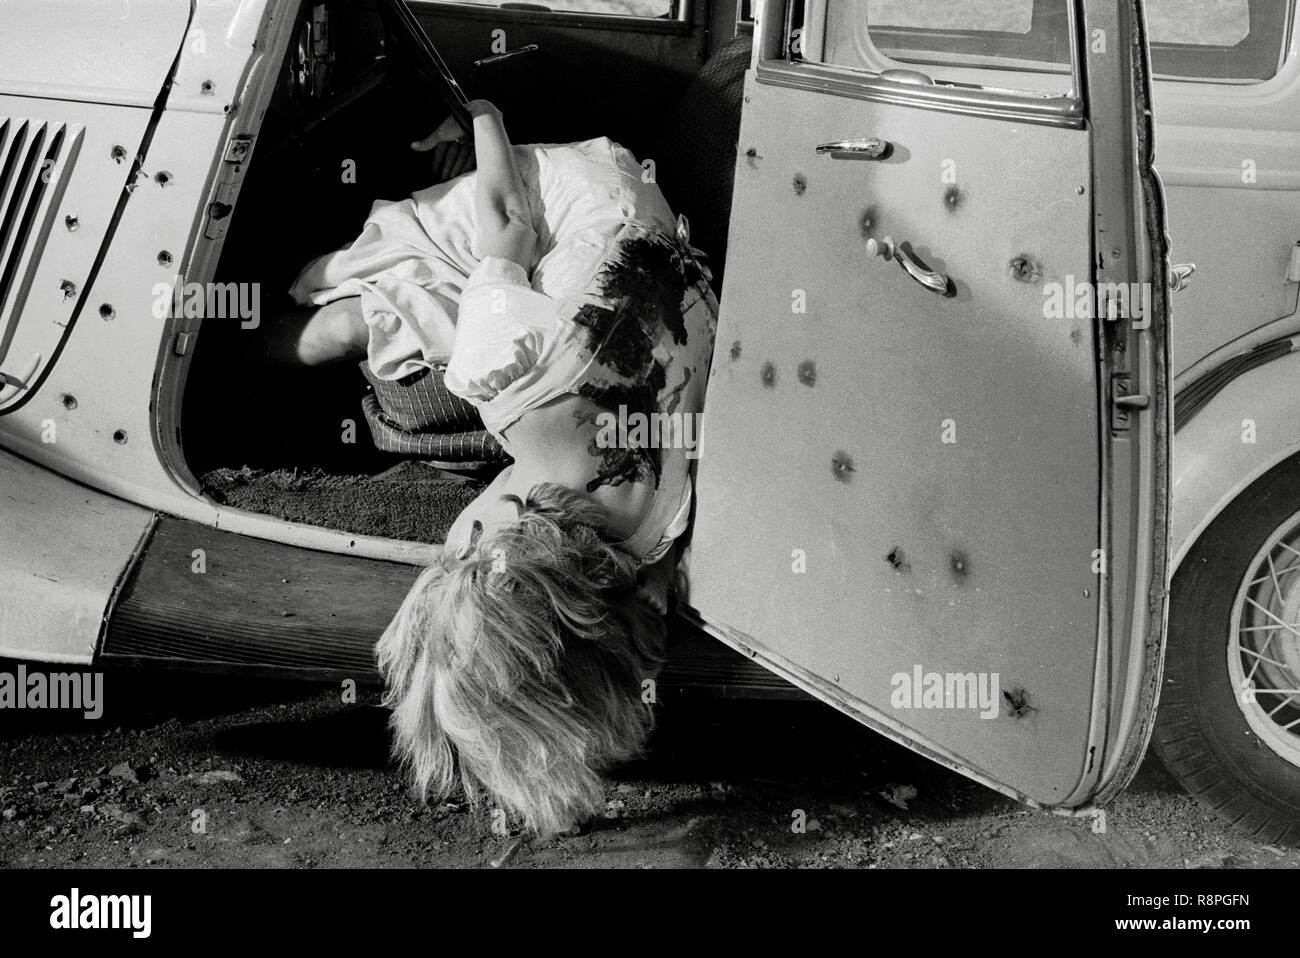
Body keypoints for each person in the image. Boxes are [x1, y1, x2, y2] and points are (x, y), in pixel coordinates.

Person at [271, 100, 717, 835]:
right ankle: (251, 344)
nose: (446, 541)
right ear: (489, 533)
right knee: (360, 335)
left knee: (419, 332)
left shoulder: (652, 536)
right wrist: (482, 117)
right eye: (449, 555)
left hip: (652, 231)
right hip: (581, 194)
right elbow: (511, 220)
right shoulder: (504, 379)